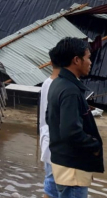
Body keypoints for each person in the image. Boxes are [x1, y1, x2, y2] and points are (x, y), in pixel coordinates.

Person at [46, 37, 103, 198]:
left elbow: (50, 119)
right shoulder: (70, 90)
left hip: (61, 160)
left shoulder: (57, 84)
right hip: (73, 168)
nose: (90, 62)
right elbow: (71, 131)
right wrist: (94, 145)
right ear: (76, 60)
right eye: (88, 57)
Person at [39, 48, 61, 198]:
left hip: (50, 142)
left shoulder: (48, 82)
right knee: (53, 186)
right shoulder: (59, 86)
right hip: (57, 145)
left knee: (51, 185)